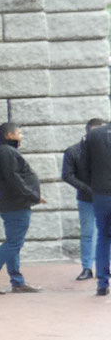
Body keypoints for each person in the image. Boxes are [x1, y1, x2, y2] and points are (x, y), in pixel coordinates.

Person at [0, 123, 42, 292]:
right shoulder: (6, 152)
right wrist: (32, 194)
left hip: (14, 202)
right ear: (9, 135)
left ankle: (17, 281)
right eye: (19, 133)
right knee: (14, 243)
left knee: (14, 243)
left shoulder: (4, 152)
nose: (21, 136)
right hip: (15, 204)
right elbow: (13, 178)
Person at [62, 119, 106, 280]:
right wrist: (86, 188)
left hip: (106, 196)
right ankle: (87, 268)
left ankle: (104, 266)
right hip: (86, 199)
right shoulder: (74, 151)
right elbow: (67, 175)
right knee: (88, 233)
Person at [86, 117, 111, 298]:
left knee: (103, 236)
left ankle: (102, 283)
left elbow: (85, 165)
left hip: (101, 193)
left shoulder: (94, 135)